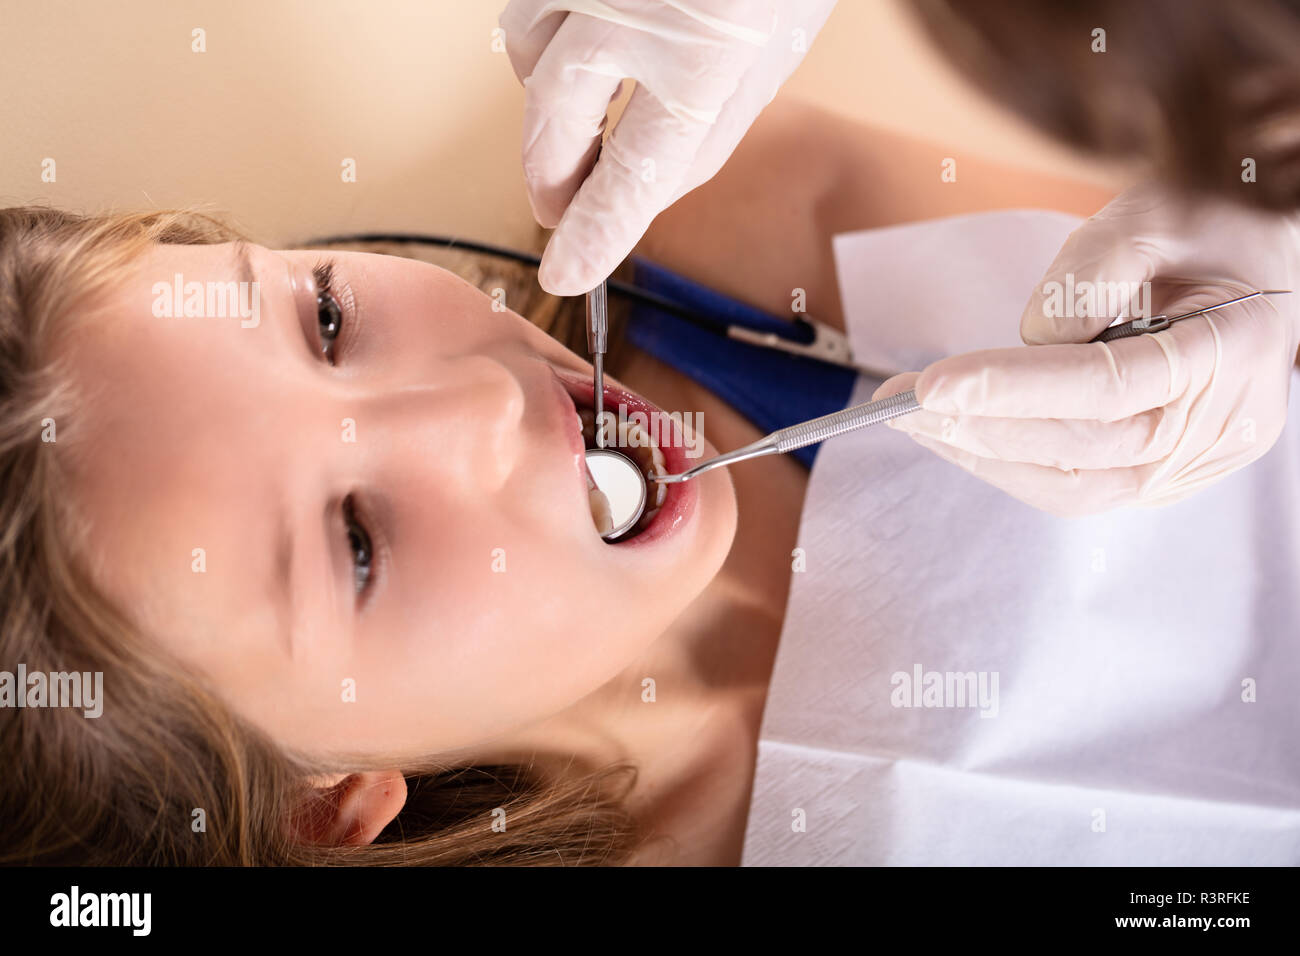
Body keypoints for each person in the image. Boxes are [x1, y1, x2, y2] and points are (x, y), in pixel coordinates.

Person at [0, 101, 1122, 865]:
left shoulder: (751, 225)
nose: (484, 400)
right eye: (355, 542)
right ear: (326, 805)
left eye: (327, 318)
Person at [499, 0, 1300, 515]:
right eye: (362, 549)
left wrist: (1270, 221)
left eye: (361, 331)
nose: (468, 411)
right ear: (366, 786)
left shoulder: (721, 228)